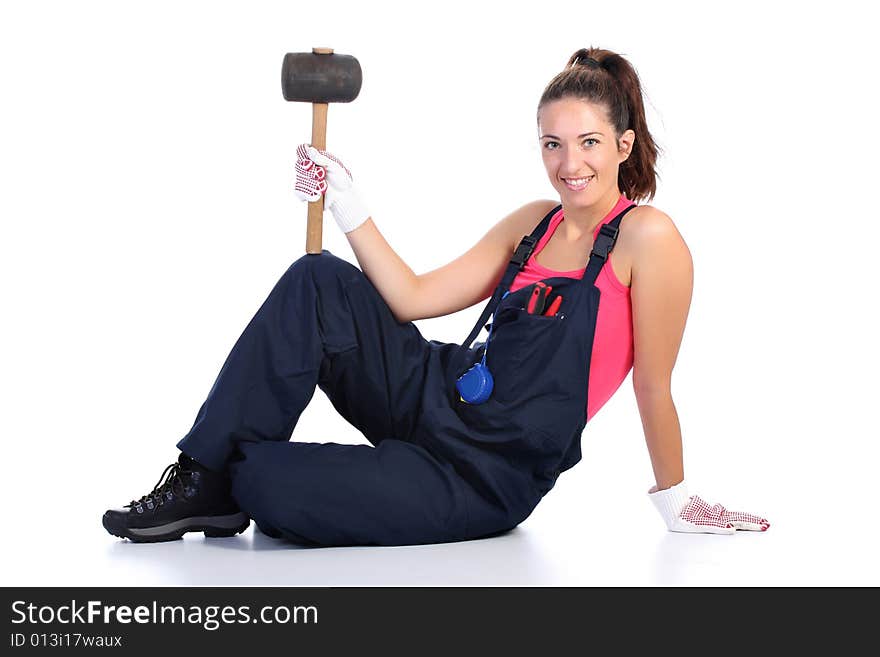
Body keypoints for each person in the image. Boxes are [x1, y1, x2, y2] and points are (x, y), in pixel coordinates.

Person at [102, 47, 769, 545]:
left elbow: (654, 385)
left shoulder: (648, 238)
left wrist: (677, 500)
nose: (572, 164)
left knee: (267, 484)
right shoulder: (532, 223)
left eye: (590, 142)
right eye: (554, 144)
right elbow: (412, 297)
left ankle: (235, 481)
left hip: (487, 473)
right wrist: (346, 199)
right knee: (317, 282)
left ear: (623, 145)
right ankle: (201, 479)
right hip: (434, 393)